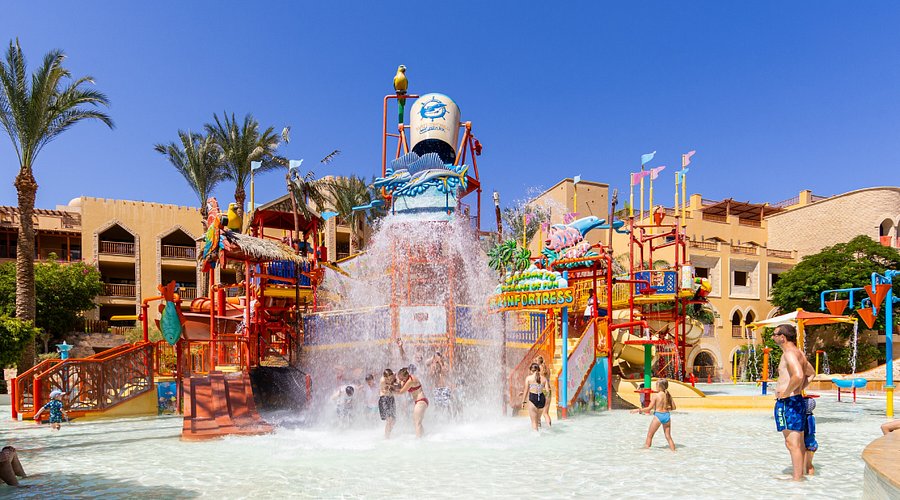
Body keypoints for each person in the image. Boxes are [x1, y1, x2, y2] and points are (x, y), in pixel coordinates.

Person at [772, 324, 814, 481]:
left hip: (788, 402)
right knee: (798, 442)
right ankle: (799, 476)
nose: (773, 337)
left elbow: (799, 375)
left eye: (774, 334)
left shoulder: (789, 354)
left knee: (792, 443)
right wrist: (798, 389)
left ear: (782, 337)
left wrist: (786, 393)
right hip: (796, 400)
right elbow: (811, 373)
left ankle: (797, 480)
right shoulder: (799, 353)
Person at [631, 378, 677, 451]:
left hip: (658, 416)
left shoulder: (655, 396)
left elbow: (649, 408)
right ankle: (674, 451)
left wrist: (638, 410)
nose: (655, 386)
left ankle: (646, 451)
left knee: (650, 435)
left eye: (656, 385)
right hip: (667, 415)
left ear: (659, 386)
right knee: (668, 436)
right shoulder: (668, 395)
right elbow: (674, 407)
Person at [396, 367, 427, 438]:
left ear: (405, 376)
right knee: (417, 422)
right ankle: (423, 437)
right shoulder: (406, 379)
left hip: (421, 401)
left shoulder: (411, 380)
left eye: (401, 379)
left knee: (417, 422)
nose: (401, 380)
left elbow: (401, 392)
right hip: (418, 402)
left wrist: (391, 391)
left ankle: (419, 440)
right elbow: (399, 386)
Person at [521, 363, 547, 432]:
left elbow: (526, 390)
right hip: (542, 399)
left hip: (533, 398)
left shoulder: (528, 378)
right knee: (538, 420)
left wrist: (523, 401)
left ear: (531, 370)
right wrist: (546, 401)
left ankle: (536, 436)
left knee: (534, 423)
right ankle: (542, 434)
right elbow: (547, 392)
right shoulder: (544, 379)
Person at [379, 369, 398, 438]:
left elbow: (396, 381)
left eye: (390, 378)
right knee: (389, 419)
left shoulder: (393, 375)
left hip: (391, 399)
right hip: (384, 399)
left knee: (394, 420)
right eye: (388, 379)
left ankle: (388, 434)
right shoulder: (382, 380)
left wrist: (395, 379)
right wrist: (394, 382)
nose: (389, 380)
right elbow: (390, 388)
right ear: (385, 377)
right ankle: (386, 437)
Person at [534, 355, 552, 427]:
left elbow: (537, 381)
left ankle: (538, 429)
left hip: (541, 391)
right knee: (545, 413)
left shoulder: (538, 370)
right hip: (548, 390)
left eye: (535, 361)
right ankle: (550, 427)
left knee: (538, 412)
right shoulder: (547, 369)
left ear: (538, 361)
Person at [804, 397, 818, 475]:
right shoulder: (811, 418)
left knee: (801, 465)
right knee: (809, 466)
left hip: (806, 445)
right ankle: (811, 479)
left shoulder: (803, 419)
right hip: (812, 445)